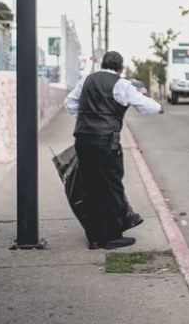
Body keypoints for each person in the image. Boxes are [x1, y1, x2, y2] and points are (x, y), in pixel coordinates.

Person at [64, 51, 164, 250]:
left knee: (90, 188)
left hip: (83, 139)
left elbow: (69, 104)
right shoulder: (121, 83)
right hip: (106, 142)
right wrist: (159, 107)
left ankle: (93, 238)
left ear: (102, 64)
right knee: (111, 188)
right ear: (121, 68)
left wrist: (87, 119)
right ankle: (111, 237)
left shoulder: (86, 80)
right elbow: (143, 104)